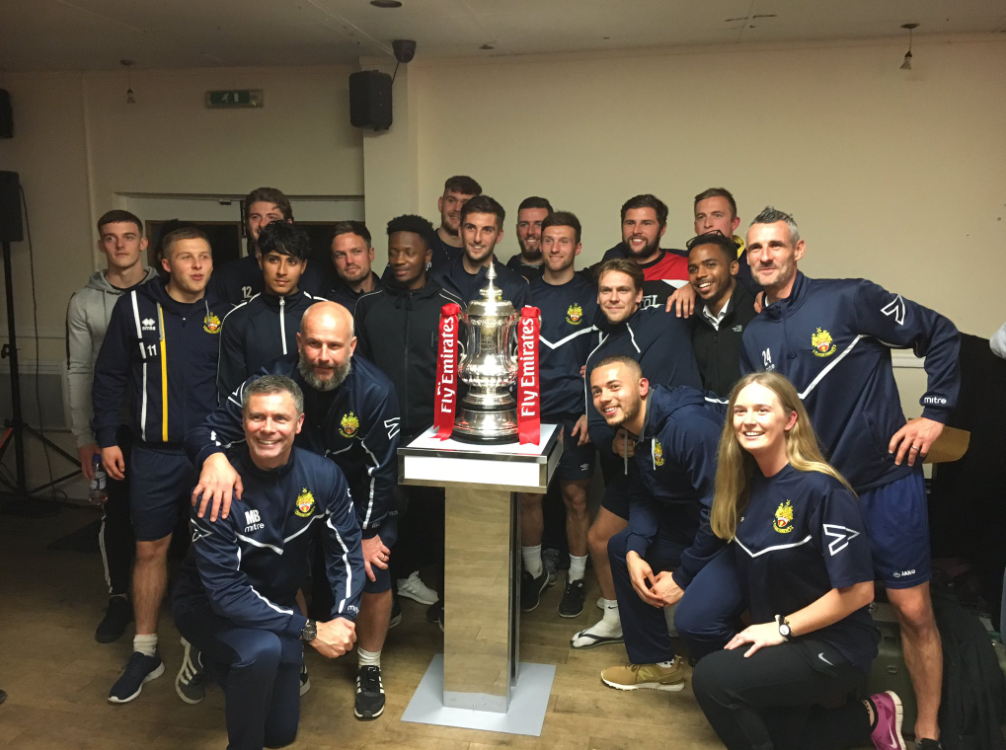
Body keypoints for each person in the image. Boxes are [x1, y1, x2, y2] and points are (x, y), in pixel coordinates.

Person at [740, 206, 960, 750]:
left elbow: (941, 333)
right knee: (827, 611)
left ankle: (927, 731)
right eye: (755, 249)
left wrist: (934, 413)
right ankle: (852, 720)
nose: (765, 256)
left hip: (885, 483)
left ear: (798, 249)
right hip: (817, 495)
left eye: (775, 245)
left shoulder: (850, 297)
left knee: (912, 608)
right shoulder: (754, 334)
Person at [186, 301, 401, 721]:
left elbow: (382, 471)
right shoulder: (270, 380)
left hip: (358, 498)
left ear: (352, 346)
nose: (323, 356)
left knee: (373, 571)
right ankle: (295, 651)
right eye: (315, 344)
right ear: (299, 342)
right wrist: (212, 457)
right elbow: (206, 429)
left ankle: (369, 665)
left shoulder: (376, 390)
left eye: (334, 346)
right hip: (286, 492)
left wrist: (368, 532)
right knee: (283, 565)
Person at [691, 371, 906, 750]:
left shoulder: (823, 489)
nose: (748, 420)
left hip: (834, 645)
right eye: (739, 411)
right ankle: (873, 716)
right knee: (776, 736)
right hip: (787, 641)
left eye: (762, 409)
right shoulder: (744, 484)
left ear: (790, 420)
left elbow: (858, 592)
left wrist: (781, 629)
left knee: (712, 678)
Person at [173, 375, 364, 750]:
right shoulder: (216, 487)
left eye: (280, 418)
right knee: (262, 651)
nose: (267, 429)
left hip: (274, 602)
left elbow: (346, 552)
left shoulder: (322, 476)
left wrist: (343, 615)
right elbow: (227, 595)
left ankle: (217, 663)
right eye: (257, 417)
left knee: (280, 734)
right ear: (243, 422)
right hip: (208, 605)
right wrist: (310, 630)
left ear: (299, 424)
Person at [92, 226, 228, 703]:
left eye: (205, 257)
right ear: (165, 263)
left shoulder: (226, 308)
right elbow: (108, 376)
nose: (198, 266)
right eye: (187, 258)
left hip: (213, 456)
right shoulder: (133, 306)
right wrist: (107, 438)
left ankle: (209, 646)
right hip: (152, 453)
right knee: (149, 549)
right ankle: (146, 650)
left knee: (216, 551)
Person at [571, 259, 701, 649]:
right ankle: (616, 618)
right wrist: (610, 442)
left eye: (623, 290)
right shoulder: (598, 353)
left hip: (678, 462)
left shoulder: (670, 321)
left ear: (639, 296)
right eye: (606, 291)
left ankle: (676, 623)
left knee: (677, 544)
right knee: (600, 539)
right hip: (634, 469)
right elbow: (596, 424)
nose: (613, 297)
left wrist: (692, 286)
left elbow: (724, 289)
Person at [587, 356, 730, 692]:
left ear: (642, 387)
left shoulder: (688, 426)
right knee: (622, 547)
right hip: (694, 525)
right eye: (596, 391)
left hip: (733, 535)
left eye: (613, 386)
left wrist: (683, 576)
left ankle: (739, 680)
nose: (604, 398)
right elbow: (643, 495)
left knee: (692, 619)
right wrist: (637, 549)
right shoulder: (638, 430)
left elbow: (721, 510)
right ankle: (657, 665)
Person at [354, 215, 462, 625]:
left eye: (409, 252)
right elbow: (358, 372)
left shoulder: (451, 306)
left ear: (428, 257)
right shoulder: (368, 306)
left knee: (437, 519)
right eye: (394, 251)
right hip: (379, 437)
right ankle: (391, 591)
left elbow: (463, 374)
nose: (400, 260)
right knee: (385, 516)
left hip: (435, 435)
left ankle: (446, 600)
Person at [67, 209, 158, 643]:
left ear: (143, 242)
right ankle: (120, 597)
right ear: (102, 244)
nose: (119, 244)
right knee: (118, 514)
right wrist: (86, 438)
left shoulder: (167, 291)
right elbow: (79, 370)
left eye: (128, 236)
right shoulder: (85, 301)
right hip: (114, 428)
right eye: (110, 238)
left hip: (161, 426)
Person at [520, 211, 597, 617]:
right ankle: (533, 573)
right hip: (531, 415)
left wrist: (591, 411)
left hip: (574, 416)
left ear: (577, 247)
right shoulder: (525, 294)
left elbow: (604, 358)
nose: (553, 248)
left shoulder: (593, 295)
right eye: (547, 240)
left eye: (563, 241)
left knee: (576, 498)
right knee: (529, 498)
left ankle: (578, 578)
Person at [217, 221, 323, 398]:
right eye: (274, 260)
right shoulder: (238, 320)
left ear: (303, 266)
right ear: (261, 262)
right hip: (260, 423)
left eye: (291, 261)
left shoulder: (324, 313)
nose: (282, 271)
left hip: (315, 423)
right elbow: (231, 392)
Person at [430, 194, 532, 309]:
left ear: (498, 236)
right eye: (471, 228)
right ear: (460, 231)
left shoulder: (515, 287)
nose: (477, 238)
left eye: (487, 230)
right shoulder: (436, 279)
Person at [687, 232, 757, 397]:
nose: (700, 274)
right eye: (693, 269)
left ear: (733, 267)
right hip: (709, 419)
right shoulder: (690, 320)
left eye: (710, 265)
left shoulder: (757, 311)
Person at [597, 194, 689, 310]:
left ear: (662, 229)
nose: (636, 231)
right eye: (630, 223)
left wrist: (693, 287)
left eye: (646, 223)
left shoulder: (686, 267)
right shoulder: (608, 272)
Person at [211, 187, 293, 307]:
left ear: (288, 224)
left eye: (272, 218)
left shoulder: (314, 276)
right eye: (255, 217)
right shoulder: (225, 276)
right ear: (247, 225)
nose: (263, 224)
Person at [327, 221, 383, 314]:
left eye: (356, 252)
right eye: (340, 255)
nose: (349, 261)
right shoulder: (328, 308)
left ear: (371, 254)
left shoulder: (394, 299)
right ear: (333, 261)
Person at [429, 175, 482, 270]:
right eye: (451, 200)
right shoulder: (421, 248)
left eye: (465, 203)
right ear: (440, 204)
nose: (457, 208)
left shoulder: (481, 254)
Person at [506, 196, 552, 281]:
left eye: (538, 224)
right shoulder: (503, 274)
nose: (530, 232)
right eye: (524, 224)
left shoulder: (561, 274)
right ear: (517, 230)